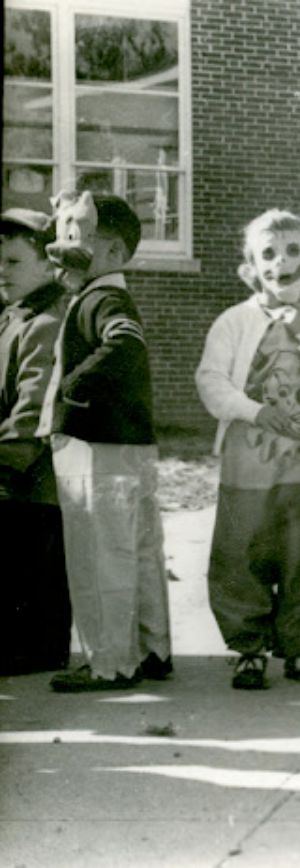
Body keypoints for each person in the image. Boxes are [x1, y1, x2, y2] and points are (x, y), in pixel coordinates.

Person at [196, 209, 300, 690]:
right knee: (243, 549)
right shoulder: (233, 322)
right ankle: (248, 649)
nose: (281, 263)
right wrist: (252, 410)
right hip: (251, 457)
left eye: (293, 251)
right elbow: (210, 380)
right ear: (250, 266)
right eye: (268, 254)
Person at [38, 193, 173, 692]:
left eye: (79, 239)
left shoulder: (101, 299)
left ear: (115, 254)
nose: (64, 249)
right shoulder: (104, 295)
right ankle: (152, 647)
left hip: (94, 444)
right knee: (138, 549)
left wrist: (74, 385)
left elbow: (124, 343)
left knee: (99, 554)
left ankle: (110, 662)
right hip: (128, 441)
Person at [0, 209, 71, 676]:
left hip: (30, 480)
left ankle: (35, 652)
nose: (1, 273)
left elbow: (32, 411)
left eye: (12, 263)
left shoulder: (44, 323)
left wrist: (6, 465)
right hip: (14, 472)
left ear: (48, 266)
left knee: (30, 571)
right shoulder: (14, 316)